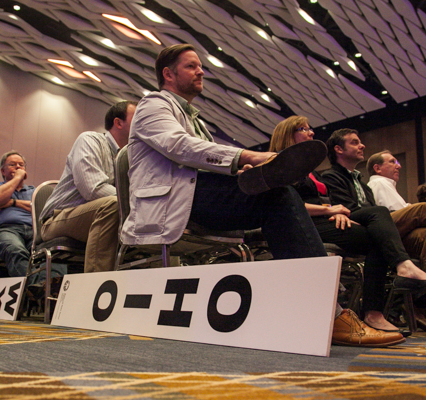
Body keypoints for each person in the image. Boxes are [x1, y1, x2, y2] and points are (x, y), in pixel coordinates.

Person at [125, 44, 395, 347]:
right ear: (168, 74)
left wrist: (240, 172)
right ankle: (326, 313)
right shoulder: (153, 105)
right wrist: (248, 156)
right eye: (191, 66)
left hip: (194, 198)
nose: (201, 71)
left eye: (200, 66)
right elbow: (179, 146)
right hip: (172, 203)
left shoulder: (194, 118)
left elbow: (199, 162)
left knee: (277, 195)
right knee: (277, 197)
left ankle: (317, 311)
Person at [270, 116, 421, 342]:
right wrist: (329, 210)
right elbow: (286, 203)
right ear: (287, 134)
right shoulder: (280, 163)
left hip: (323, 220)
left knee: (378, 235)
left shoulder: (310, 169)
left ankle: (375, 311)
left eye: (310, 128)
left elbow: (327, 202)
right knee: (379, 222)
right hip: (301, 223)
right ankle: (380, 303)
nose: (311, 133)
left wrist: (335, 212)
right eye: (303, 129)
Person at [321, 129, 426, 292]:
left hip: (378, 225)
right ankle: (404, 268)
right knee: (421, 208)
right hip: (359, 226)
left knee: (423, 235)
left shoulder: (364, 186)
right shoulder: (330, 177)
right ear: (339, 149)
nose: (362, 145)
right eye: (354, 142)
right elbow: (345, 209)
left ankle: (420, 297)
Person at [40, 101, 136, 272]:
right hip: (57, 219)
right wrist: (136, 204)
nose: (144, 122)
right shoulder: (90, 140)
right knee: (114, 205)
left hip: (98, 217)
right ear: (118, 122)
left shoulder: (131, 157)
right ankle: (95, 285)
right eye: (137, 118)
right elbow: (93, 189)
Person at [366, 150, 426, 268]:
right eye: (392, 162)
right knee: (423, 207)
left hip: (394, 229)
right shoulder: (379, 182)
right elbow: (396, 211)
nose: (399, 166)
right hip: (385, 227)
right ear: (377, 168)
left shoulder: (385, 184)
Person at [0, 150, 35, 277]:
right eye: (12, 165)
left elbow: (41, 209)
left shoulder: (33, 191)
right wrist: (17, 178)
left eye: (21, 165)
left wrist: (13, 202)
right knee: (16, 250)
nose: (18, 167)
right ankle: (33, 288)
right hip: (3, 230)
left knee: (49, 251)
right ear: (3, 171)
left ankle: (45, 286)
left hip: (32, 230)